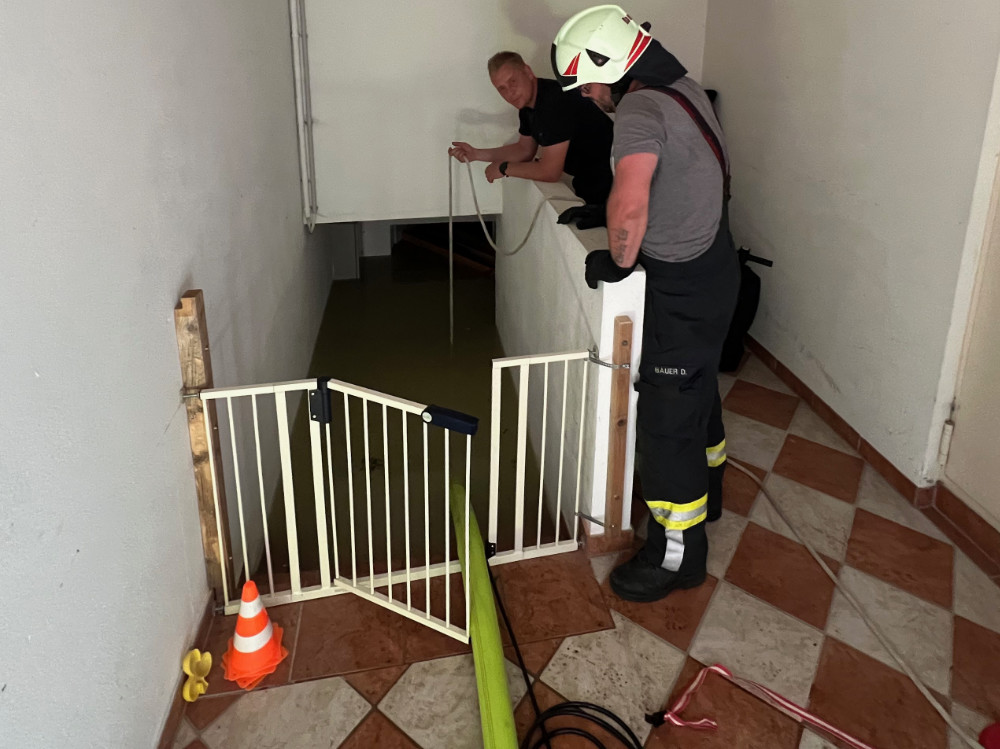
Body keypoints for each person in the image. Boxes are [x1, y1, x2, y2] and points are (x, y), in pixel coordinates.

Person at [552, 6, 740, 602]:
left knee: (666, 424)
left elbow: (631, 200)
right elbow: (677, 177)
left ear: (610, 66)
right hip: (716, 267)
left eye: (587, 85)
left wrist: (619, 257)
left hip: (682, 286)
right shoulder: (682, 87)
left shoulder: (637, 108)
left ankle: (676, 558)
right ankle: (710, 491)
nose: (589, 98)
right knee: (697, 392)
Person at [448, 51, 614, 226]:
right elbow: (524, 149)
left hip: (613, 183)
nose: (510, 92)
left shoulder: (553, 101)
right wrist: (476, 154)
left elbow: (550, 172)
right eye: (502, 88)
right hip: (592, 182)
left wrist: (504, 168)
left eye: (513, 81)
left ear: (528, 72)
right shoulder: (529, 106)